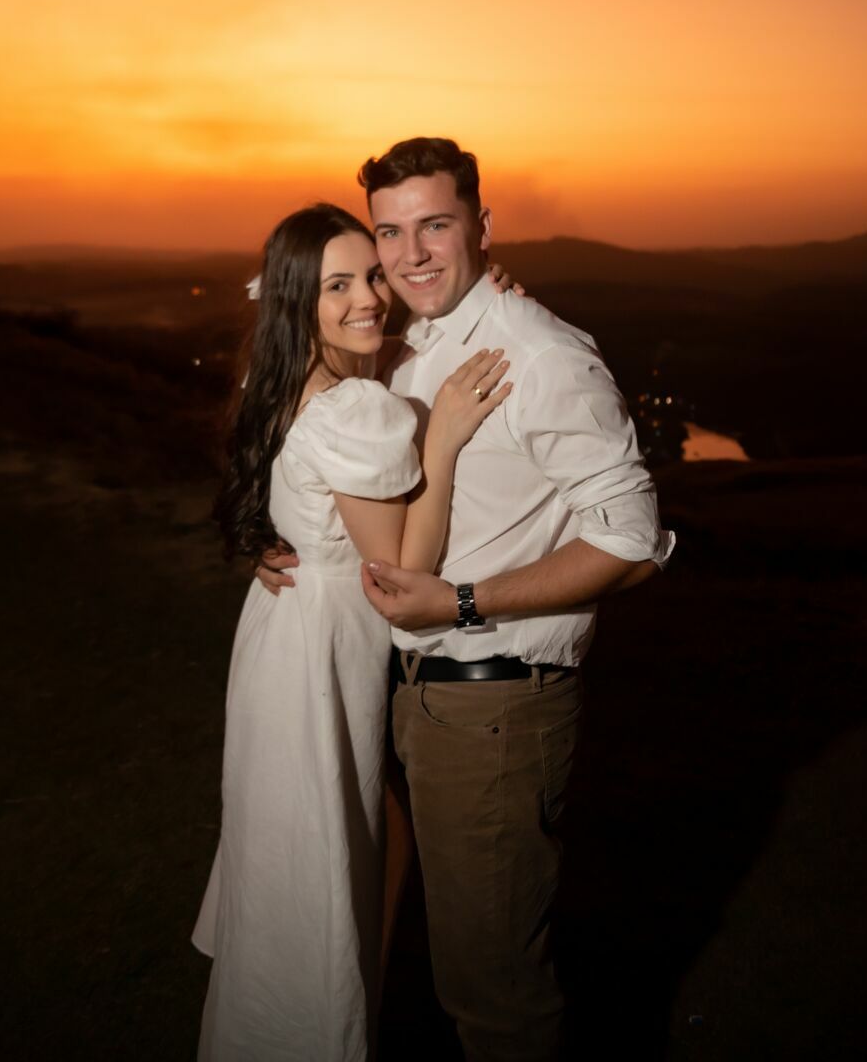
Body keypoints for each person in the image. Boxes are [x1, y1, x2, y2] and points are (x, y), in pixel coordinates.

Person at [258, 138, 674, 1062]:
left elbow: (631, 537)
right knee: (408, 947)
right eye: (390, 233)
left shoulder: (541, 355)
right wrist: (296, 544)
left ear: (482, 225)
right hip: (404, 690)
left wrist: (466, 603)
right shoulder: (401, 343)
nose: (409, 257)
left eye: (435, 226)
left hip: (495, 702)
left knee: (494, 995)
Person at [193, 201, 513, 1062]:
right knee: (336, 839)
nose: (370, 297)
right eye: (338, 285)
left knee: (332, 834)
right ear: (299, 299)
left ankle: (338, 1009)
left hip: (282, 634)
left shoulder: (292, 378)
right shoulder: (350, 411)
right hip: (317, 650)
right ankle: (331, 1022)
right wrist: (440, 444)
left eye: (371, 275)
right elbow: (399, 573)